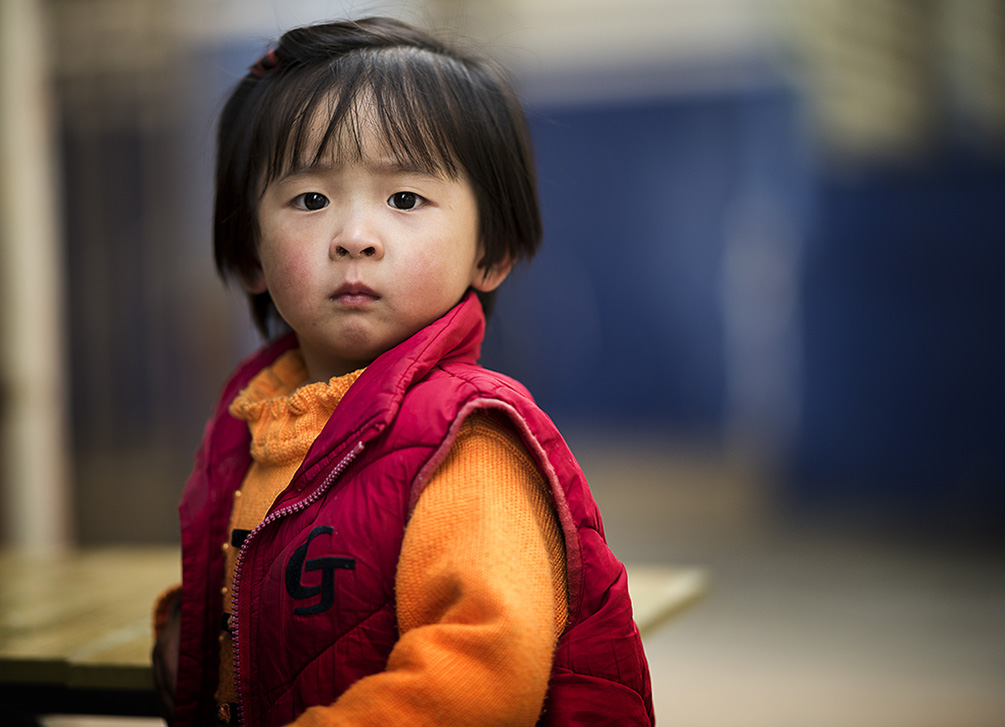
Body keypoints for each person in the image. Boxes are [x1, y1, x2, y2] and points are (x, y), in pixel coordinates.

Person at [152, 16, 653, 727]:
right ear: (248, 256)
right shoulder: (256, 426)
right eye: (311, 200)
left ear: (491, 251)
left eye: (405, 199)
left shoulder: (466, 442)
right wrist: (193, 630)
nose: (355, 236)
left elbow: (482, 673)